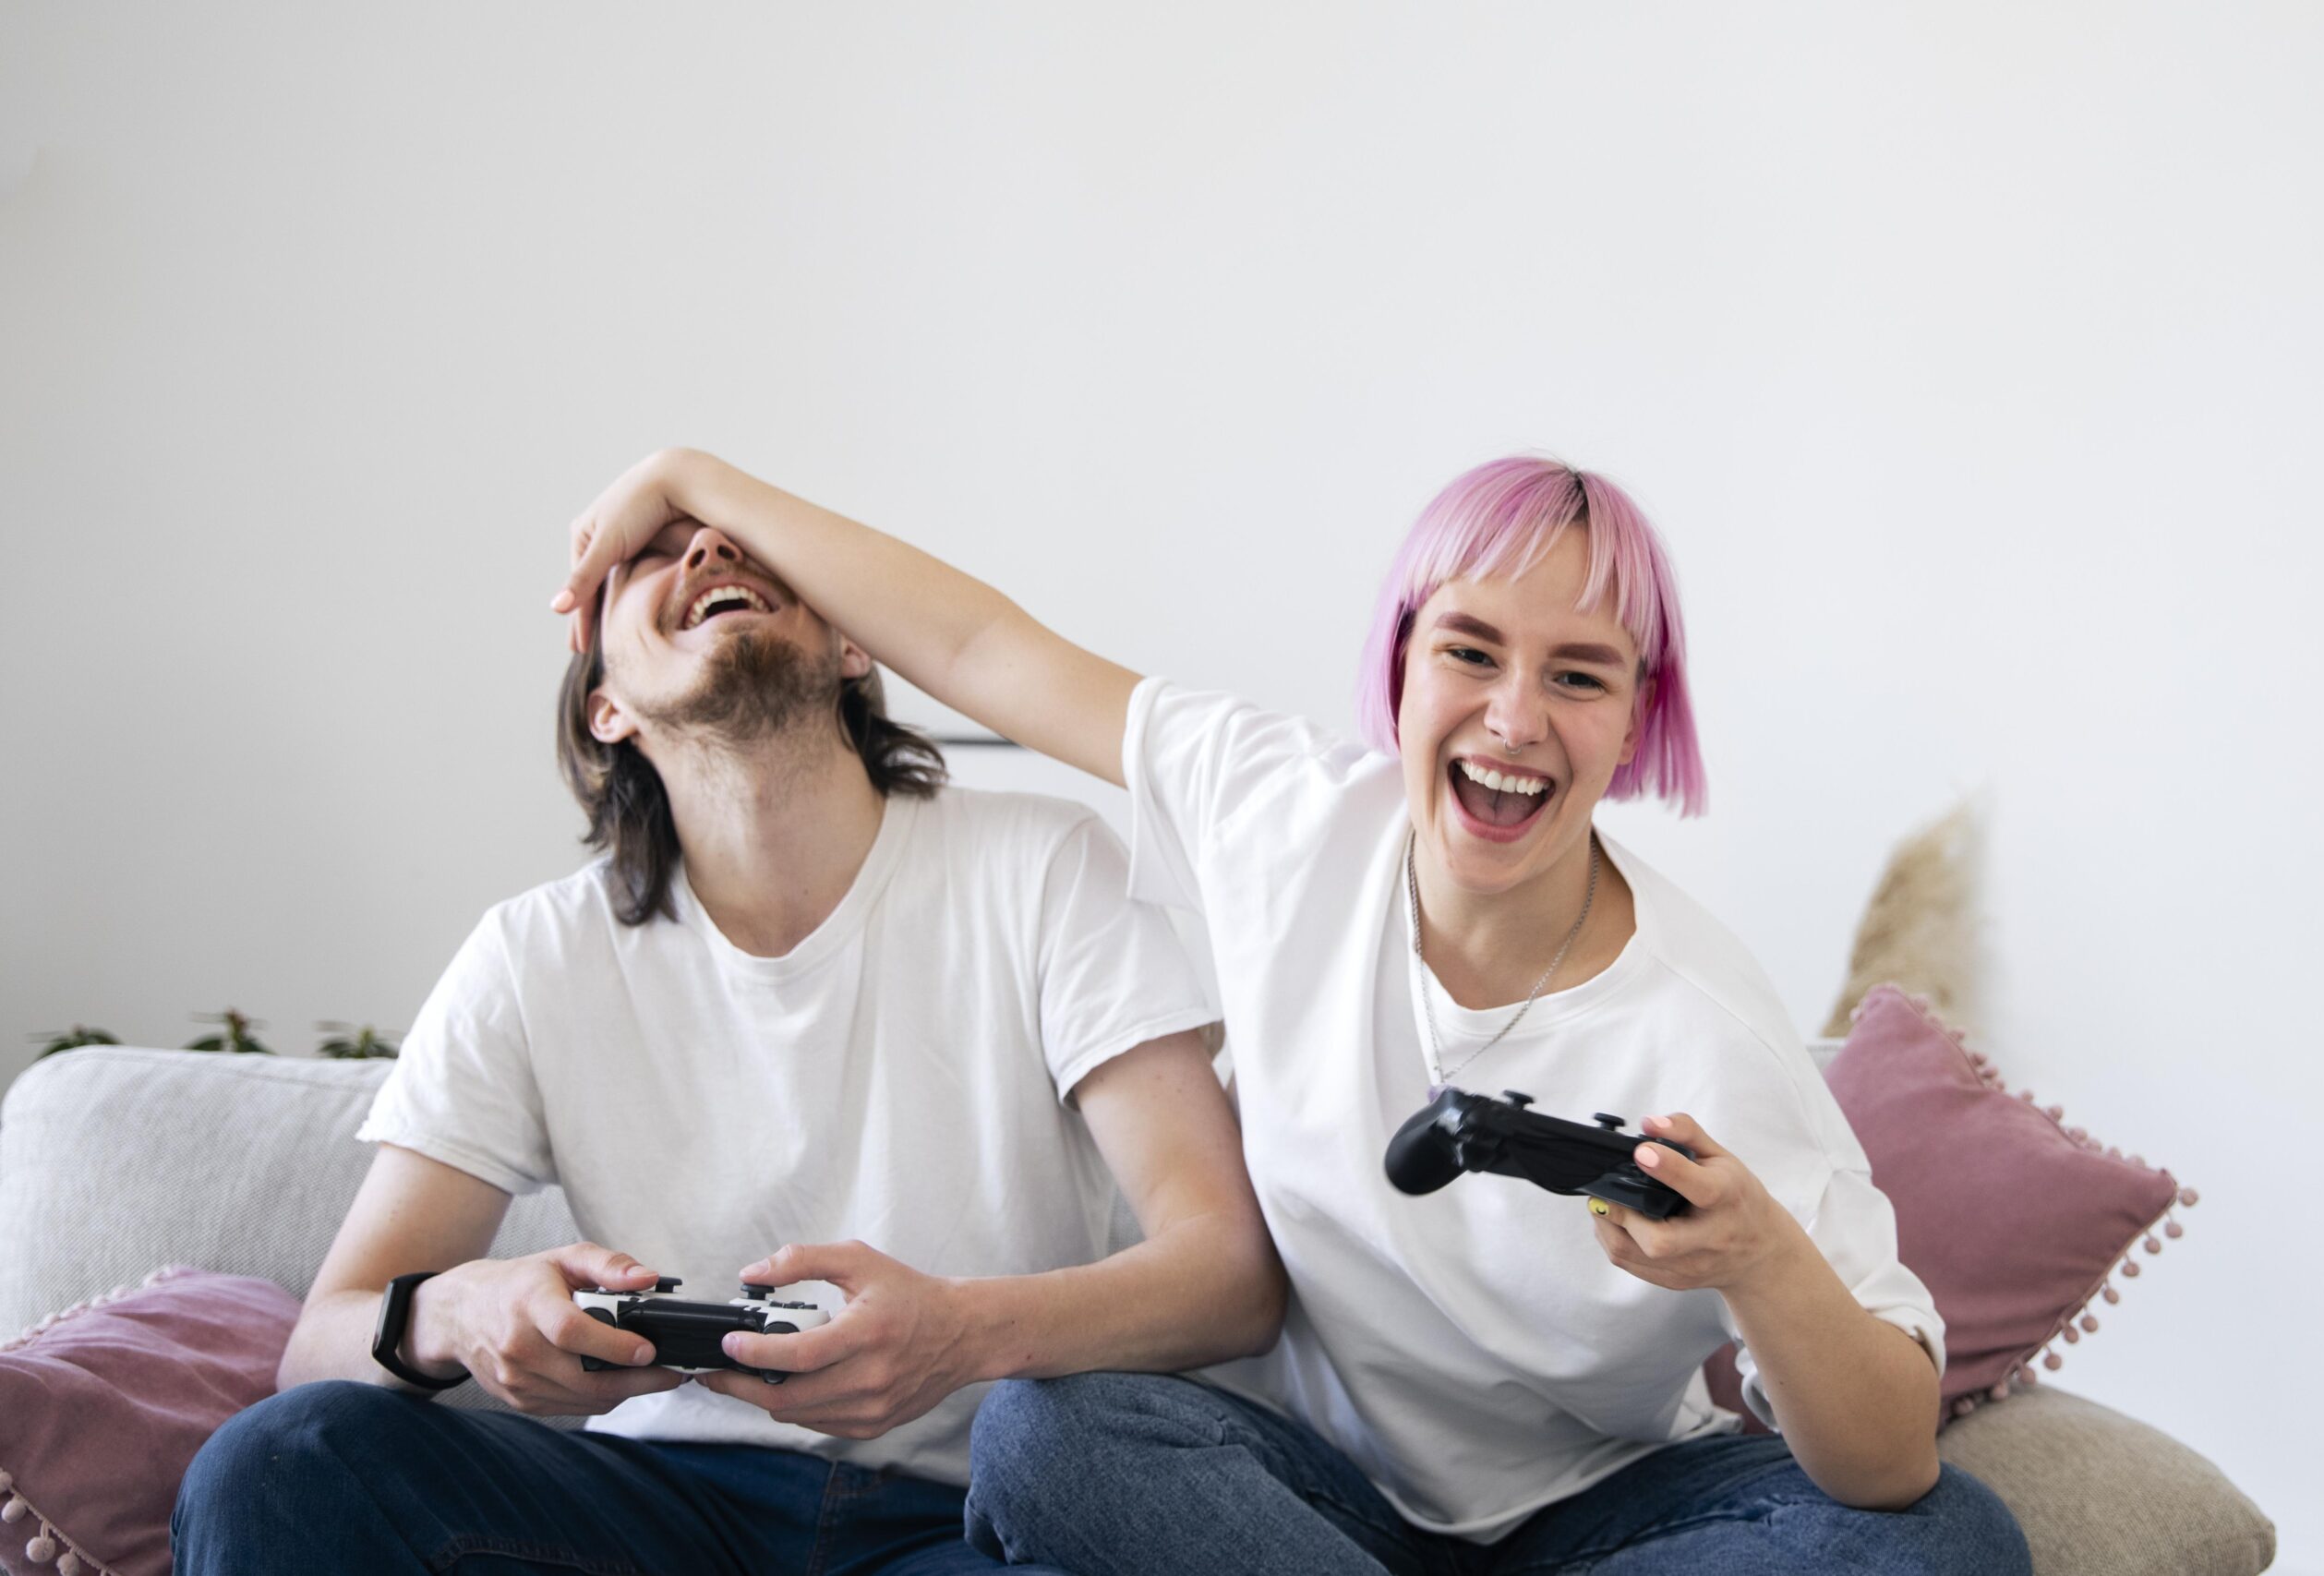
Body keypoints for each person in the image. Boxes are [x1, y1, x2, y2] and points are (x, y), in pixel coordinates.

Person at [549, 449, 2034, 1575]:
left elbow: (1888, 1456)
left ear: (1636, 722)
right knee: (1047, 1433)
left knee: (1952, 1540)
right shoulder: (1282, 813)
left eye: (1579, 677)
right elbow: (986, 650)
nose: (1515, 718)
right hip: (1290, 1498)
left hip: (1598, 1515)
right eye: (1471, 650)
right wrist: (692, 475)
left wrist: (1764, 1260)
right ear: (1399, 665)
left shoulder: (1705, 1026)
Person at [172, 519, 1286, 1576]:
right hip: (648, 1500)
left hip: (958, 1518)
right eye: (652, 554)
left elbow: (1228, 1274)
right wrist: (458, 1314)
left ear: (855, 641)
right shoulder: (534, 952)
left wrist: (958, 1335)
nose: (705, 547)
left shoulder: (1045, 867)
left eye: (752, 545)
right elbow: (318, 1343)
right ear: (606, 704)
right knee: (281, 1463)